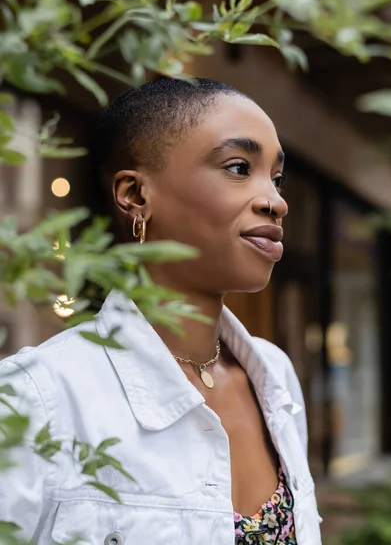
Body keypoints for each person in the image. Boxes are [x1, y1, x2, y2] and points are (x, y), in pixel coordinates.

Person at [0, 78, 322, 545]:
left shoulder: (274, 376)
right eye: (238, 167)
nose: (275, 201)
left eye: (275, 178)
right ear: (135, 195)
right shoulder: (35, 398)